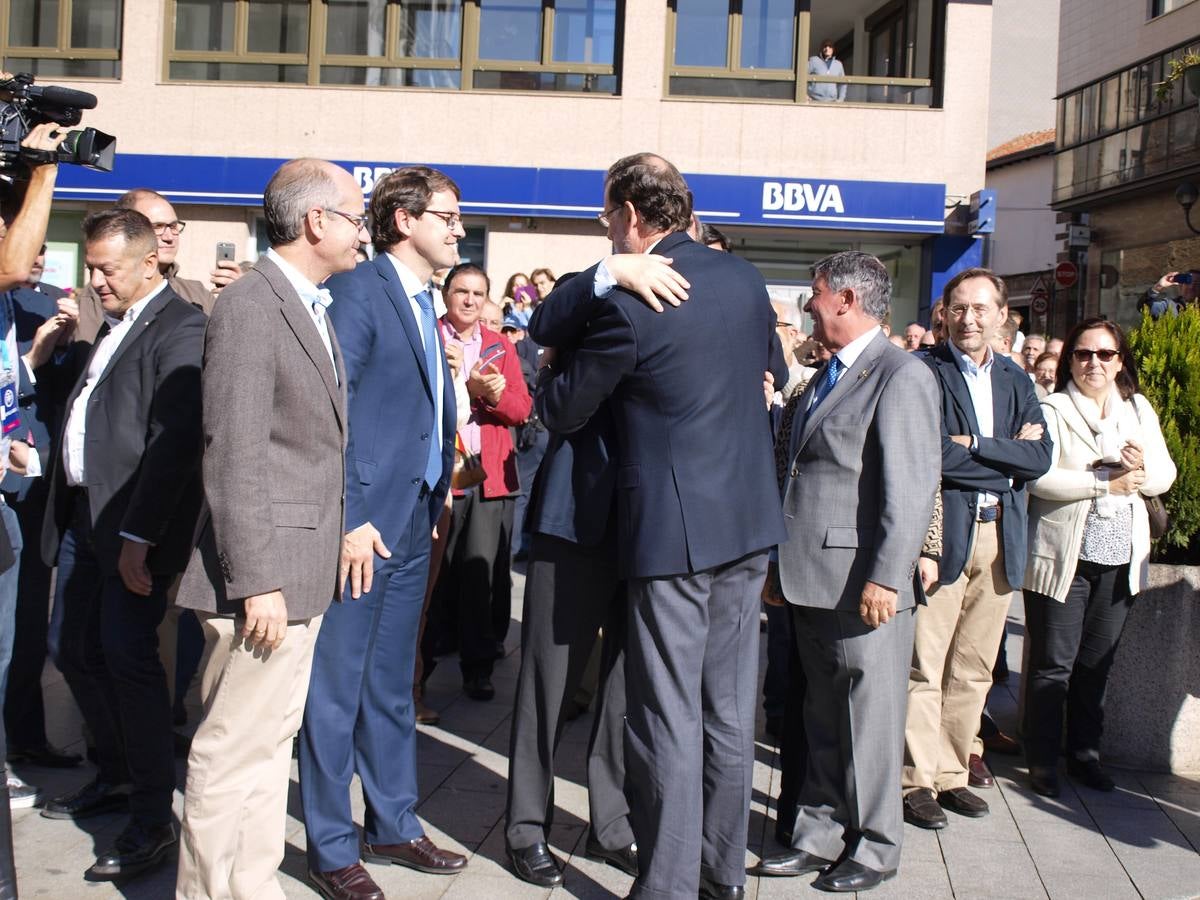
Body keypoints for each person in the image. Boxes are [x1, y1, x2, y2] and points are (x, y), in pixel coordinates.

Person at [535, 153, 786, 900]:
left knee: (665, 718)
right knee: (729, 714)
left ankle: (669, 887)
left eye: (608, 219)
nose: (606, 232)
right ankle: (722, 877)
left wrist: (605, 284)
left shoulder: (630, 302)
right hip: (747, 524)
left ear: (634, 219)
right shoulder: (744, 281)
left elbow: (559, 406)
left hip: (673, 536)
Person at [174, 158, 361, 900]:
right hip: (264, 582)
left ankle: (250, 886)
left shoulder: (306, 301)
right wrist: (258, 580)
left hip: (299, 571)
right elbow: (235, 451)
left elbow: (304, 450)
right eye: (354, 214)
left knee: (267, 746)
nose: (362, 231)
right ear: (316, 220)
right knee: (230, 753)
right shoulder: (254, 305)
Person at [299, 165, 468, 899]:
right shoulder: (357, 293)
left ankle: (393, 823)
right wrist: (352, 518)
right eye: (449, 216)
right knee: (335, 691)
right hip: (363, 529)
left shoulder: (422, 300)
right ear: (403, 220)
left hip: (411, 520)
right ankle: (331, 844)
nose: (458, 228)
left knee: (392, 686)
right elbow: (329, 413)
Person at [754, 250, 939, 893]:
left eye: (815, 293)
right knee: (823, 718)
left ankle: (877, 846)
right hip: (811, 577)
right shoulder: (826, 374)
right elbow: (799, 477)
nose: (809, 304)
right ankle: (817, 834)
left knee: (871, 721)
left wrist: (887, 577)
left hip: (865, 586)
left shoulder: (902, 375)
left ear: (846, 301)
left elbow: (911, 490)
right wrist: (779, 563)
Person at [505, 256, 686, 887]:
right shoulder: (597, 302)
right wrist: (605, 276)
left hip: (649, 526)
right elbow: (555, 382)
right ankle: (526, 827)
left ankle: (611, 824)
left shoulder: (685, 318)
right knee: (547, 684)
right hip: (574, 518)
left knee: (624, 691)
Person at [39, 208, 206, 883]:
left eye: (108, 269)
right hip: (84, 517)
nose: (95, 281)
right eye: (91, 267)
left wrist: (140, 535)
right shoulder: (109, 324)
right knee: (72, 649)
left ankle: (150, 819)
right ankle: (113, 773)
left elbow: (173, 444)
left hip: (131, 528)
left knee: (128, 662)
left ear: (148, 263)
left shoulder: (182, 326)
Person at [901, 268, 1052, 832]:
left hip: (1000, 538)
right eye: (959, 308)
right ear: (944, 313)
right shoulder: (924, 371)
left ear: (1001, 314)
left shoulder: (1015, 378)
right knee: (925, 664)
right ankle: (915, 780)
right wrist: (1006, 456)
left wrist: (981, 447)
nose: (969, 319)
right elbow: (932, 452)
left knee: (973, 669)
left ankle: (950, 773)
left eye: (980, 309)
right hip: (945, 536)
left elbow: (1041, 459)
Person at [1022, 317, 1176, 798]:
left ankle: (1085, 755)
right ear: (1070, 360)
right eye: (1084, 354)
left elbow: (1163, 477)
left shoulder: (1138, 409)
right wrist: (1102, 482)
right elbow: (1039, 478)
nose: (1094, 363)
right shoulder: (1052, 408)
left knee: (1096, 665)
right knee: (1054, 665)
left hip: (1120, 557)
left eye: (1105, 355)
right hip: (1064, 556)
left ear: (1120, 361)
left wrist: (1139, 467)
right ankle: (1043, 761)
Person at [425, 263, 529, 700]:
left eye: (477, 293)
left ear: (488, 299)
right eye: (461, 291)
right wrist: (459, 389)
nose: (469, 300)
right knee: (433, 575)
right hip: (439, 473)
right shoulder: (428, 333)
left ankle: (478, 667)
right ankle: (420, 668)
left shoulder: (499, 345)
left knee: (480, 574)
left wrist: (491, 395)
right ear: (447, 295)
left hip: (486, 476)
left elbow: (521, 409)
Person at [74, 189, 212, 342]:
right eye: (158, 227)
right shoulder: (102, 293)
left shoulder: (198, 294)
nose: (169, 237)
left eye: (173, 226)